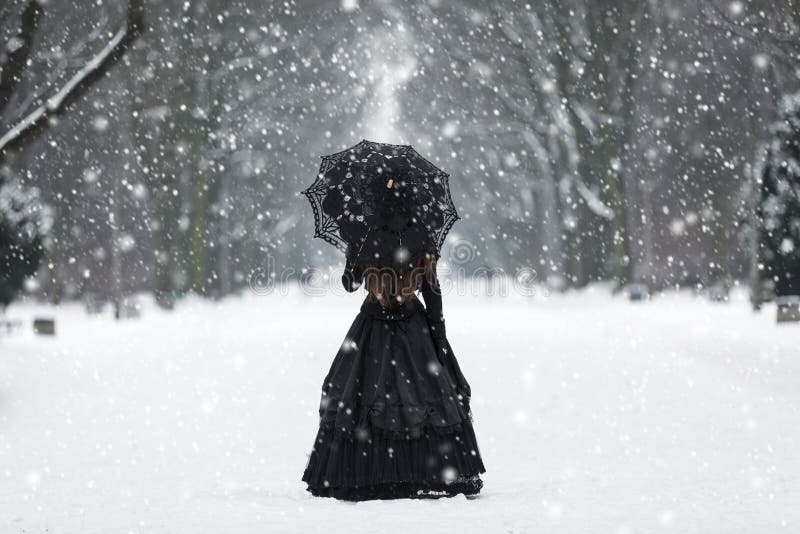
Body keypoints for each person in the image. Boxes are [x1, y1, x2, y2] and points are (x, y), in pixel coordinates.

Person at [301, 253, 486, 500]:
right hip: (414, 330)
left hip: (372, 330)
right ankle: (426, 472)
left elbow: (349, 284)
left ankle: (369, 475)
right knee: (422, 398)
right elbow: (432, 291)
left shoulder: (366, 234)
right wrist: (438, 338)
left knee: (365, 396)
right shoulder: (420, 235)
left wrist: (354, 256)